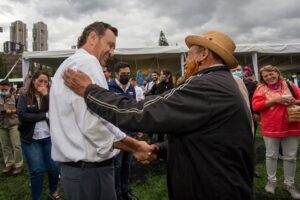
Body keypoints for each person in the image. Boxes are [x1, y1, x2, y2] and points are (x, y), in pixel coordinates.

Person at [63, 31, 254, 200]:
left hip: (212, 189)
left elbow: (140, 112)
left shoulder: (206, 85)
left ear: (203, 54)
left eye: (188, 55)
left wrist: (89, 90)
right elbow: (205, 139)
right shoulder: (219, 83)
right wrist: (160, 148)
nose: (186, 62)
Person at [49, 21, 154, 200]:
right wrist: (135, 146)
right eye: (110, 45)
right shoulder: (88, 63)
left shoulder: (67, 64)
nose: (112, 52)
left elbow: (98, 118)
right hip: (90, 173)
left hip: (77, 172)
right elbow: (94, 126)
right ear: (92, 38)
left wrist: (131, 145)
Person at [252, 65, 300, 199]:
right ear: (263, 78)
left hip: (292, 124)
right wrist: (275, 100)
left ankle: (289, 184)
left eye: (271, 74)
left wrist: (294, 101)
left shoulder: (290, 85)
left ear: (277, 73)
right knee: (271, 155)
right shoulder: (260, 89)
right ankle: (271, 182)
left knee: (291, 157)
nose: (269, 77)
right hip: (271, 126)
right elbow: (256, 106)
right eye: (266, 76)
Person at [17, 71, 61, 200]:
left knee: (54, 168)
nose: (42, 84)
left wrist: (46, 95)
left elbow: (56, 111)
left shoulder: (50, 96)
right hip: (31, 140)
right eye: (40, 81)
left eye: (45, 82)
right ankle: (37, 197)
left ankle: (53, 191)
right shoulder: (24, 96)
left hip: (49, 138)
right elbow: (22, 115)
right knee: (37, 170)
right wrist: (45, 115)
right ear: (34, 81)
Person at [108, 61, 138, 200]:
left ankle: (125, 191)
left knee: (127, 164)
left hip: (130, 132)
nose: (126, 76)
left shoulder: (131, 88)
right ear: (116, 74)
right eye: (123, 74)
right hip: (117, 135)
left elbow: (134, 108)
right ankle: (117, 193)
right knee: (117, 165)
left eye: (128, 73)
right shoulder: (109, 87)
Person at [0, 79, 23, 175]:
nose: (3, 91)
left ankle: (18, 165)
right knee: (5, 146)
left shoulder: (16, 97)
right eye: (2, 89)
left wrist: (11, 111)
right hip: (1, 124)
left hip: (13, 123)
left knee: (16, 145)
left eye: (5, 89)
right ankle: (9, 164)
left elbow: (21, 109)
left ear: (9, 88)